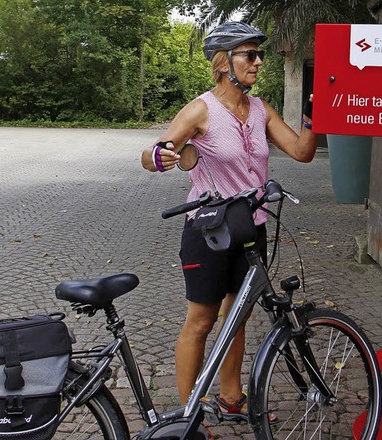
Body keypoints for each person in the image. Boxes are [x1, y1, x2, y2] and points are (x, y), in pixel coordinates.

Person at [141, 21, 317, 422]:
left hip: (250, 228)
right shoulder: (201, 109)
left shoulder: (260, 109)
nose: (258, 62)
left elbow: (303, 151)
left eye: (259, 55)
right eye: (249, 55)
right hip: (208, 231)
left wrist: (313, 114)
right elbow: (154, 153)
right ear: (224, 63)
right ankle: (188, 418)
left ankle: (231, 397)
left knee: (237, 315)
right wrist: (161, 156)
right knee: (201, 321)